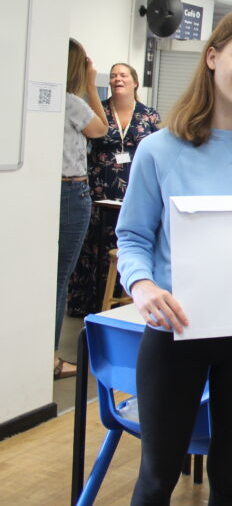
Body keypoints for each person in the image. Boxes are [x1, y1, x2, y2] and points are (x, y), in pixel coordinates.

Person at [115, 10, 232, 504]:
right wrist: (143, 287)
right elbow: (133, 238)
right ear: (213, 57)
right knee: (157, 475)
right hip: (173, 332)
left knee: (230, 476)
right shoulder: (158, 149)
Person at [67, 62, 160, 317]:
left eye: (123, 75)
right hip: (99, 187)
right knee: (92, 246)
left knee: (126, 245)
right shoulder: (99, 110)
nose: (117, 79)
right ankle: (88, 306)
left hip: (135, 190)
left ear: (135, 82)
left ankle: (127, 305)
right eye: (114, 75)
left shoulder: (148, 115)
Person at [55, 39, 109, 378]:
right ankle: (51, 359)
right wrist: (91, 84)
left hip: (48, 188)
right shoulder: (72, 102)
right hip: (71, 190)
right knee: (59, 278)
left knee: (48, 276)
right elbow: (100, 129)